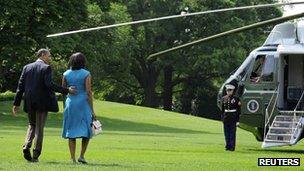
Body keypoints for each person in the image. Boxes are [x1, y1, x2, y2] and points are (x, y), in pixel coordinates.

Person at [12, 48, 77, 162]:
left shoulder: (26, 67)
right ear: (42, 55)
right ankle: (36, 154)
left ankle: (26, 145)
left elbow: (20, 87)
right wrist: (66, 90)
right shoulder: (46, 68)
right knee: (40, 128)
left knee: (32, 124)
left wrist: (16, 103)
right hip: (42, 102)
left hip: (29, 101)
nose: (50, 58)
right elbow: (49, 84)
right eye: (49, 56)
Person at [62, 52, 96, 164]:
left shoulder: (66, 74)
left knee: (71, 131)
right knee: (87, 129)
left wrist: (64, 105)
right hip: (83, 104)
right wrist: (92, 110)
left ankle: (72, 158)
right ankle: (81, 155)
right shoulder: (86, 74)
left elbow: (63, 91)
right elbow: (88, 92)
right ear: (83, 62)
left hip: (70, 103)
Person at [221, 84, 241, 151]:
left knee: (232, 133)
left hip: (233, 117)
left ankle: (232, 147)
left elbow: (238, 110)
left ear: (232, 91)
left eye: (230, 90)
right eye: (227, 90)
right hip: (226, 118)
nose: (228, 92)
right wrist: (222, 118)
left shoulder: (236, 99)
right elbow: (223, 109)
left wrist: (238, 120)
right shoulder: (224, 98)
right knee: (226, 133)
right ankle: (227, 146)